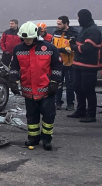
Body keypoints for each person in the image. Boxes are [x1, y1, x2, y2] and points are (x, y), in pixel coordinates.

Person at [9, 22, 63, 151]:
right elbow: (14, 67)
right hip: (28, 91)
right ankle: (33, 138)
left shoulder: (49, 48)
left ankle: (47, 139)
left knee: (48, 116)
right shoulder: (18, 49)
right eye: (25, 38)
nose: (27, 41)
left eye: (30, 38)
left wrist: (55, 82)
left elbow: (57, 67)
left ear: (36, 36)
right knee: (32, 116)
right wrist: (12, 81)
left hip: (46, 90)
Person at [67, 9, 102, 123]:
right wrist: (74, 42)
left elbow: (87, 48)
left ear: (83, 17)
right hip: (78, 64)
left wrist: (73, 47)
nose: (78, 19)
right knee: (78, 88)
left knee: (88, 90)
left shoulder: (94, 30)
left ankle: (91, 114)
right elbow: (81, 44)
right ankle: (80, 110)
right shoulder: (85, 29)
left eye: (78, 17)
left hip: (89, 66)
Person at [52, 16, 79, 111]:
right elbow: (52, 46)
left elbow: (72, 49)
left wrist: (60, 50)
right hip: (58, 63)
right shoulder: (56, 33)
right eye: (57, 24)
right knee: (57, 83)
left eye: (59, 24)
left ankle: (70, 103)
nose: (57, 26)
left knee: (70, 85)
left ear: (66, 23)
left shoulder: (73, 34)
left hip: (69, 63)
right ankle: (57, 102)